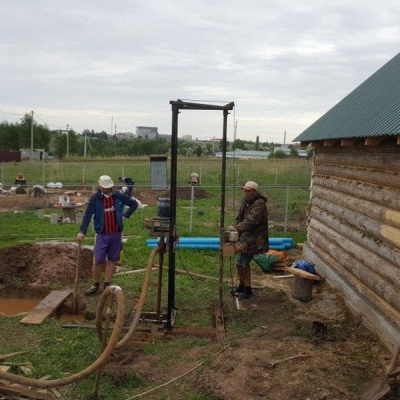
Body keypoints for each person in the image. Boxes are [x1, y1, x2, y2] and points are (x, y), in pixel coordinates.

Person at [76, 175, 138, 295]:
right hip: (101, 234)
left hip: (116, 233)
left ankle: (107, 284)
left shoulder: (118, 196)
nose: (106, 189)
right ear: (100, 186)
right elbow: (88, 215)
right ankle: (95, 284)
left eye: (107, 187)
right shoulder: (95, 198)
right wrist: (82, 231)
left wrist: (125, 215)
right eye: (104, 187)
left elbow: (133, 204)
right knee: (98, 260)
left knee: (112, 259)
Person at [228, 181, 268, 299]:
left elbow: (251, 221)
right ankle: (242, 286)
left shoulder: (259, 203)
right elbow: (241, 218)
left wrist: (236, 228)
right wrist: (237, 229)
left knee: (243, 262)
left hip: (255, 238)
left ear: (254, 191)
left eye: (248, 190)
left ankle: (247, 289)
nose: (246, 192)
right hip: (245, 236)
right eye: (245, 190)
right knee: (239, 263)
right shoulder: (247, 201)